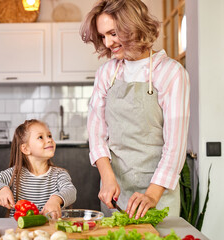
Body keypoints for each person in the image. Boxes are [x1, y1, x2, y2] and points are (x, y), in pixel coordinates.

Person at [80, 0, 190, 220]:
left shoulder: (170, 73)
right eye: (103, 36)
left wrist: (151, 195)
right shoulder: (106, 73)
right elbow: (96, 133)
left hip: (158, 193)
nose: (108, 42)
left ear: (133, 26)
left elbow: (175, 145)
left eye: (113, 33)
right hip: (115, 193)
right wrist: (107, 177)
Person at [0, 119, 77, 217]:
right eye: (41, 137)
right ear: (26, 149)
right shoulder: (15, 174)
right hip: (19, 231)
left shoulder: (59, 174)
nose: (49, 140)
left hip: (51, 230)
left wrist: (56, 199)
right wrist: (1, 189)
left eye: (49, 136)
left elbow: (71, 191)